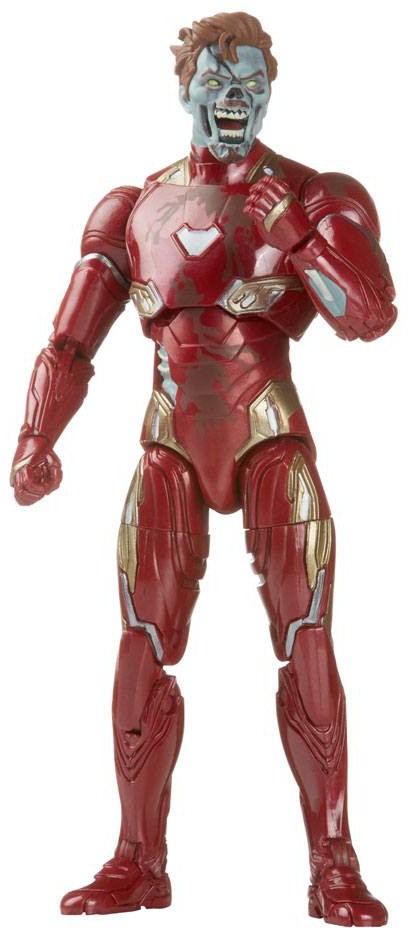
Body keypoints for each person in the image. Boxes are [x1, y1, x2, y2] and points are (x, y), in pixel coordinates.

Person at [11, 12, 396, 925]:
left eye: (251, 81)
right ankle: (137, 859)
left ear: (271, 91)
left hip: (270, 434)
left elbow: (370, 314)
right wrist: (35, 436)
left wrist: (298, 235)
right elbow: (71, 340)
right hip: (169, 439)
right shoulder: (132, 208)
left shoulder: (316, 193)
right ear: (184, 87)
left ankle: (333, 861)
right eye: (218, 80)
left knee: (306, 635)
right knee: (140, 641)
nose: (235, 97)